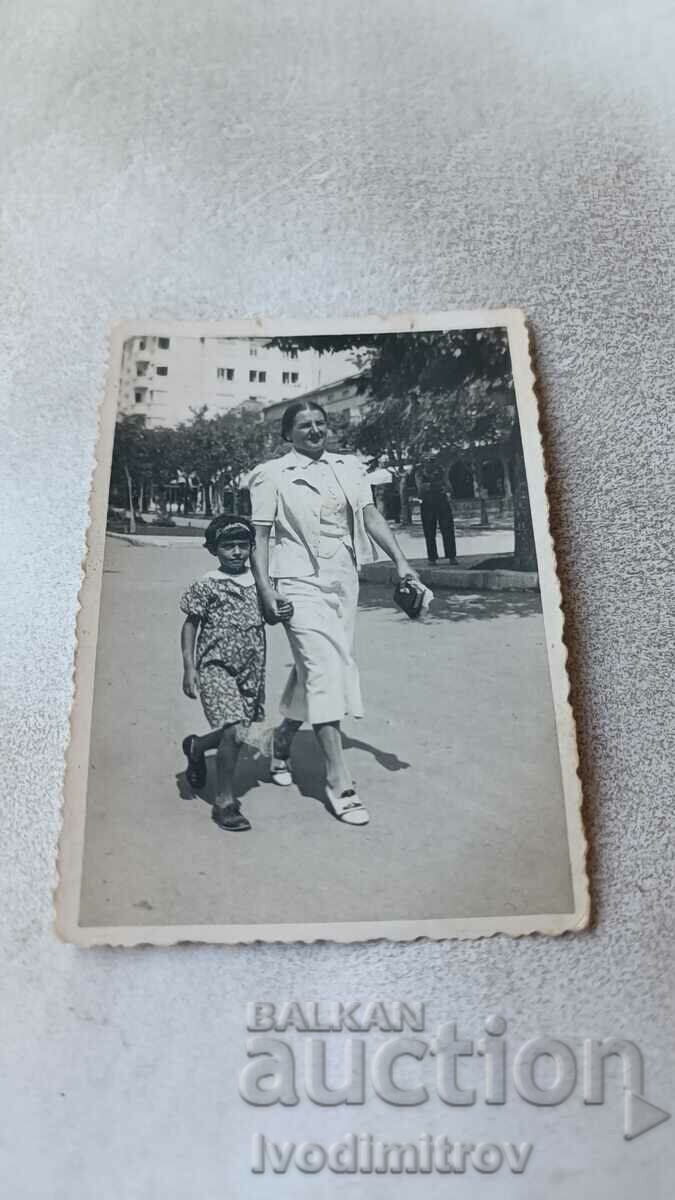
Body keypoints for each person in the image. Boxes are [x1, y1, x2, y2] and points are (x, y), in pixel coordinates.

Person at [249, 400, 423, 827]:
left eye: (320, 424)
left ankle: (282, 739)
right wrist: (265, 589)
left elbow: (368, 515)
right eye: (304, 425)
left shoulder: (349, 467)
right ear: (287, 434)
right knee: (325, 667)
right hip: (295, 582)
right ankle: (338, 780)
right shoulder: (271, 474)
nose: (314, 430)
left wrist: (401, 562)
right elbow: (260, 535)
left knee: (320, 666)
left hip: (343, 580)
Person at [179, 514, 291, 832]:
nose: (237, 552)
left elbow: (271, 618)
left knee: (240, 730)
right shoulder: (207, 583)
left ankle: (197, 747)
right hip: (215, 665)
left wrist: (283, 611)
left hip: (251, 667)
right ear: (214, 549)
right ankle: (225, 801)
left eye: (243, 546)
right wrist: (189, 667)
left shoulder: (260, 583)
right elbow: (190, 625)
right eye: (228, 546)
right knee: (233, 729)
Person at [415, 459, 458, 565]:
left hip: (441, 501)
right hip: (427, 503)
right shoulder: (419, 473)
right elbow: (421, 489)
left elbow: (448, 486)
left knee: (448, 529)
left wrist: (433, 486)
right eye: (428, 461)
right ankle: (432, 558)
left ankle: (451, 556)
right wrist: (438, 486)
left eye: (432, 461)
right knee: (429, 531)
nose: (431, 464)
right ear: (424, 463)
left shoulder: (441, 471)